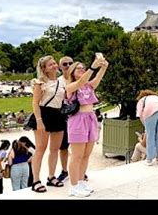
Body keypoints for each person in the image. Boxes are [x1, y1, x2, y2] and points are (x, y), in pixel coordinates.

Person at [65, 56, 108, 197]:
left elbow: (98, 78)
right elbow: (82, 81)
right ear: (72, 72)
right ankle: (73, 186)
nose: (82, 70)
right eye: (79, 68)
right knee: (76, 156)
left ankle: (80, 180)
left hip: (90, 118)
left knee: (85, 155)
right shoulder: (71, 86)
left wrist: (103, 66)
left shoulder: (88, 86)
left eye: (83, 68)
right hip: (78, 120)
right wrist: (93, 67)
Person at [30, 55, 67, 193]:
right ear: (44, 69)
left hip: (57, 114)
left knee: (54, 149)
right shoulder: (40, 83)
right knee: (40, 149)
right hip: (44, 114)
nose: (54, 65)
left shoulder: (61, 82)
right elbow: (35, 103)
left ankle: (51, 176)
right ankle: (35, 180)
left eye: (54, 63)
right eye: (50, 64)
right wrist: (39, 121)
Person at [136, 90, 158, 165]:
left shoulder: (142, 100)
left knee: (150, 136)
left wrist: (145, 125)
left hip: (150, 112)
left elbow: (140, 114)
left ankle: (149, 160)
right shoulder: (157, 98)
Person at [56, 56, 73, 183]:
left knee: (80, 146)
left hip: (77, 116)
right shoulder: (58, 81)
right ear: (60, 66)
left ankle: (80, 171)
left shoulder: (79, 79)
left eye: (70, 63)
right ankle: (64, 170)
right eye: (65, 64)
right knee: (63, 147)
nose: (68, 66)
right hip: (63, 117)